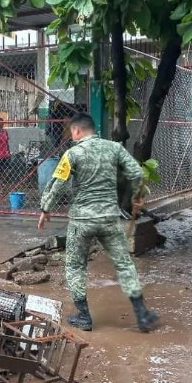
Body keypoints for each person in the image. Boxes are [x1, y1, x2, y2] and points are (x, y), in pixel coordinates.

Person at [37, 113, 158, 333]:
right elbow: (136, 173)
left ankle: (84, 317)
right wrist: (138, 196)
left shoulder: (72, 153)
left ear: (76, 131)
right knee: (124, 264)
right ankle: (142, 314)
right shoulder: (115, 148)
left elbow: (58, 184)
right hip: (109, 218)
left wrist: (46, 209)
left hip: (81, 220)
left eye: (71, 132)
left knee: (75, 267)